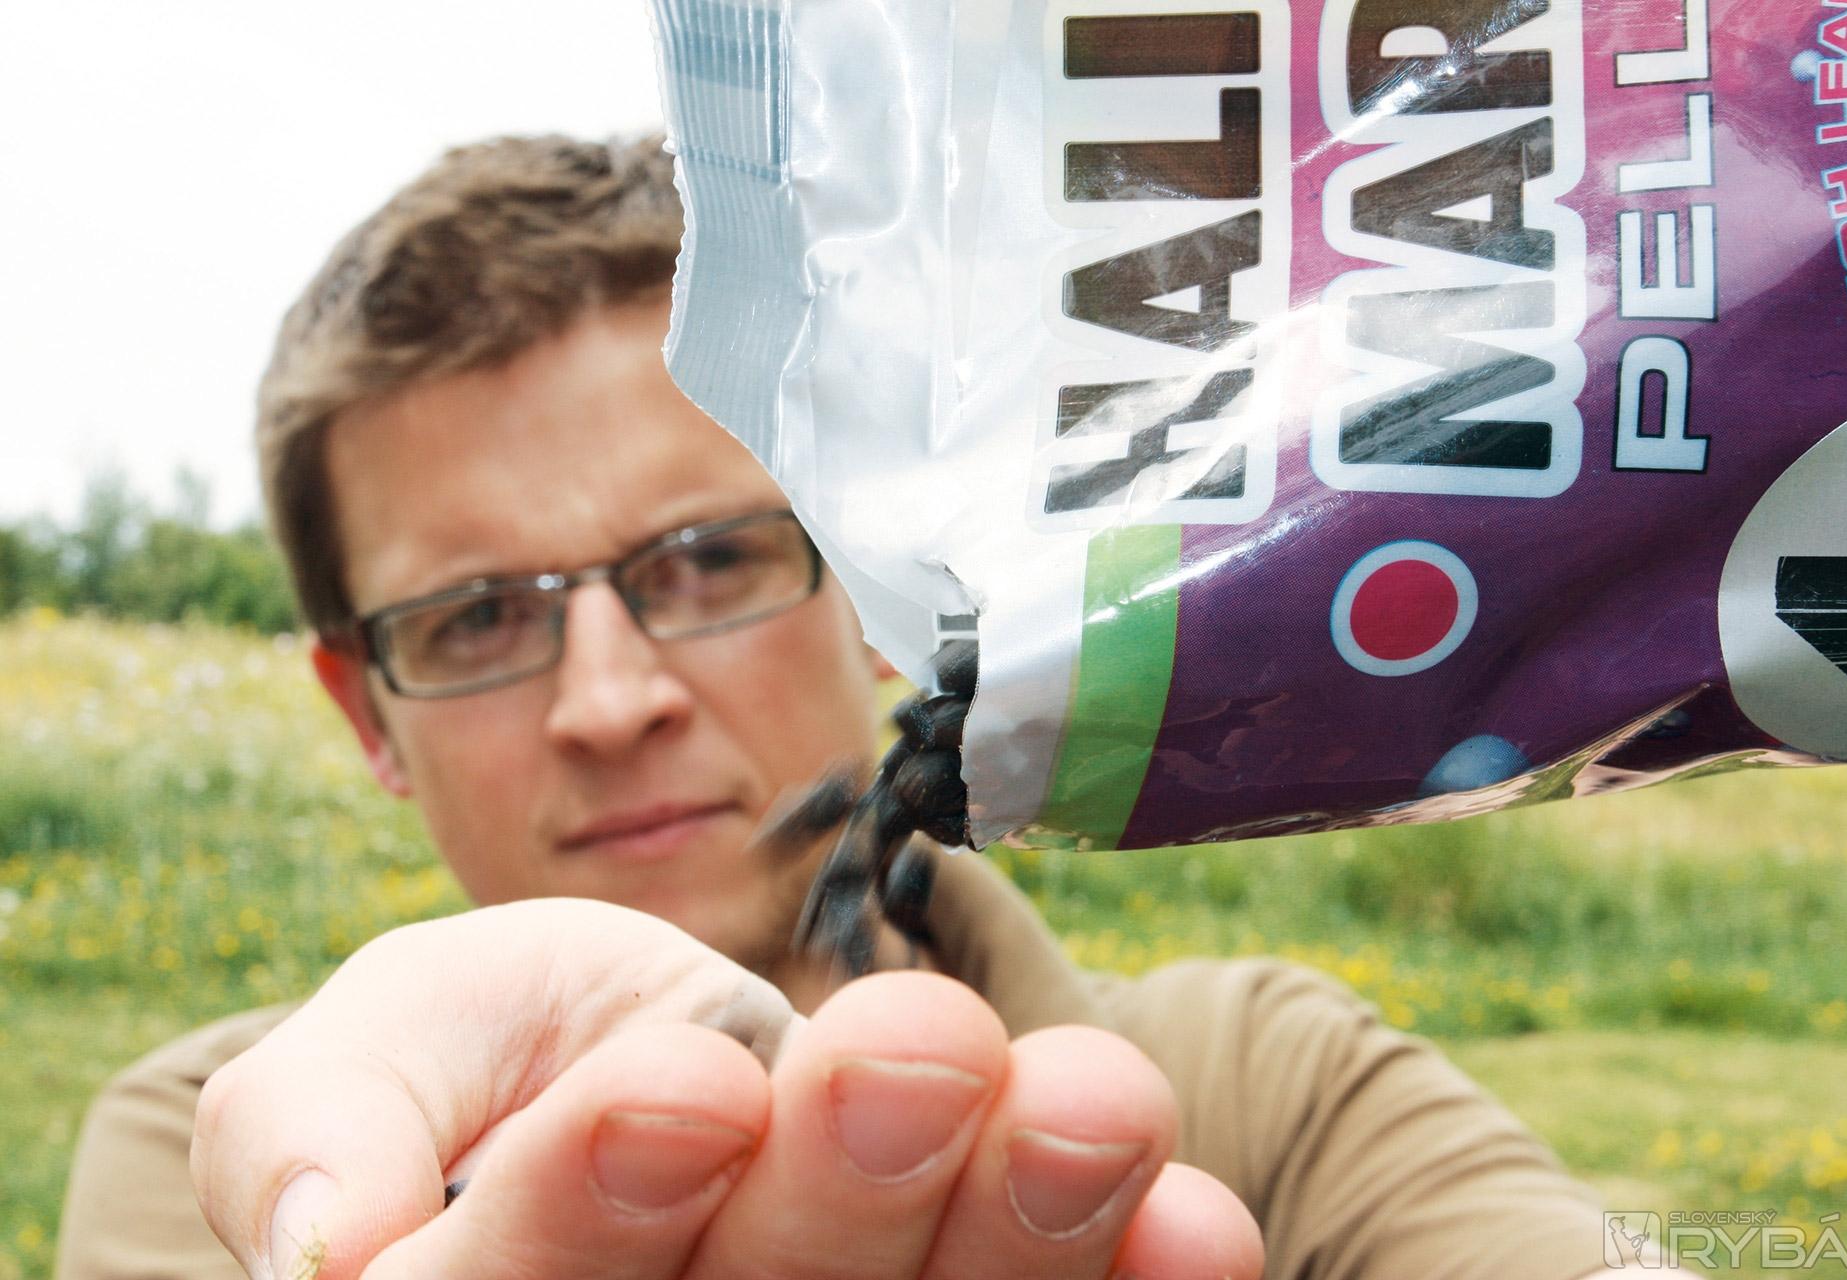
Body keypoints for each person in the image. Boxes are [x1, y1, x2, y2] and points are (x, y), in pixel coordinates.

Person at [57, 133, 1672, 1280]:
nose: (609, 700)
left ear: (892, 593)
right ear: (367, 718)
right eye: (477, 617)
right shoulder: (228, 1156)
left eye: (711, 560)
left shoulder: (1272, 1083)